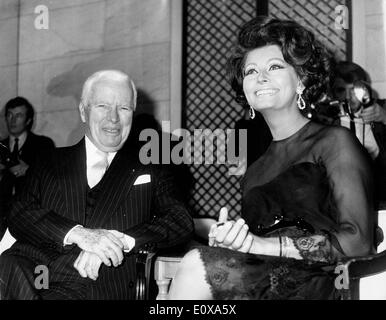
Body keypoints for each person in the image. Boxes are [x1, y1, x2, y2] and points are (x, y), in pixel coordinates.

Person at [168, 17, 376, 300]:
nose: (260, 77)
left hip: (322, 281)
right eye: (251, 71)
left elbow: (359, 241)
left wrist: (264, 245)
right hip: (263, 283)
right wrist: (233, 243)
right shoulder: (256, 169)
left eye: (275, 67)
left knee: (194, 265)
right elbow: (254, 252)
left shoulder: (334, 142)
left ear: (301, 79)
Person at [0, 70, 193, 299]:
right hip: (31, 274)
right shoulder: (49, 160)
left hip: (100, 282)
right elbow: (20, 211)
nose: (113, 118)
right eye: (102, 106)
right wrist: (78, 234)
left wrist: (118, 240)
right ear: (83, 111)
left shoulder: (151, 168)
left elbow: (180, 220)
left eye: (123, 108)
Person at [330, 61, 386, 208]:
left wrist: (384, 117)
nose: (350, 97)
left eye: (354, 90)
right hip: (340, 200)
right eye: (342, 90)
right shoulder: (326, 118)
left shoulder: (380, 108)